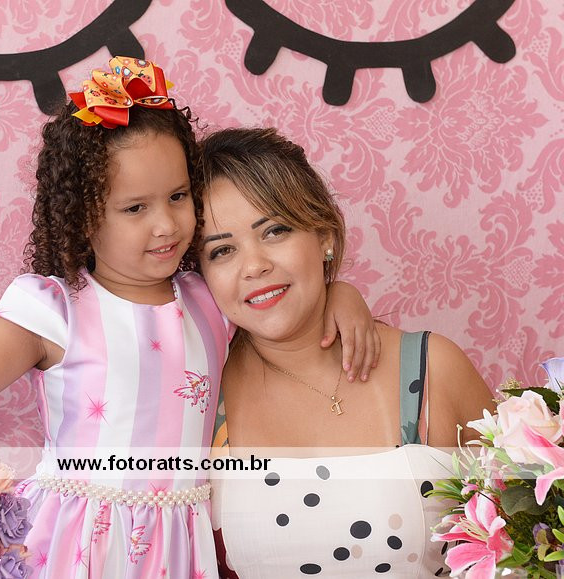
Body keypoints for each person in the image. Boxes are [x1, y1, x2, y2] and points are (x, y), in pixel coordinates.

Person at [0, 58, 378, 578]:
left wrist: (340, 294)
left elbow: (282, 311)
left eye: (178, 197)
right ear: (83, 216)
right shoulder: (53, 310)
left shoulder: (207, 300)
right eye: (135, 208)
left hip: (177, 549)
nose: (166, 225)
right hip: (72, 547)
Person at [198, 127, 495, 578]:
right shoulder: (199, 397)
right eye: (222, 251)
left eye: (275, 230)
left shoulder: (433, 368)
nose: (254, 265)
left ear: (324, 234)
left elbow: (530, 537)